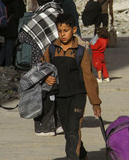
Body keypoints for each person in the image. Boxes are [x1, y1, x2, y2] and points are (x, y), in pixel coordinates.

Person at [42, 13, 101, 160]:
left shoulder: (81, 52)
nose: (62, 34)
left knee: (74, 129)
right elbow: (42, 69)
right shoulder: (51, 50)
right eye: (60, 31)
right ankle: (83, 154)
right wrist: (46, 78)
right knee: (68, 131)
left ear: (74, 29)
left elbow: (89, 78)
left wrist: (95, 103)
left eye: (66, 30)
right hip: (60, 96)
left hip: (78, 96)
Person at [18, 0, 63, 136]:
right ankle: (57, 123)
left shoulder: (39, 16)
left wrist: (38, 40)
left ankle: (44, 127)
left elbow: (23, 36)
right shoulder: (58, 11)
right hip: (59, 57)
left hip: (41, 59)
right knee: (55, 90)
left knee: (42, 92)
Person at [0, 0, 26, 67]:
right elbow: (21, 14)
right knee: (9, 46)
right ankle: (7, 66)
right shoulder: (17, 0)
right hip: (12, 26)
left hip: (3, 25)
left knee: (7, 45)